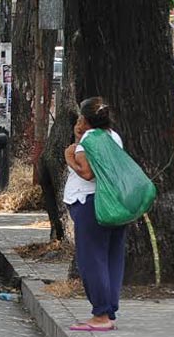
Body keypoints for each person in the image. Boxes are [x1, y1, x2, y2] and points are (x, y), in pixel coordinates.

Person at [64, 97, 125, 332]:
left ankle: (100, 315)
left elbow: (87, 172)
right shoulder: (113, 136)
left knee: (91, 259)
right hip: (114, 204)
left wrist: (69, 154)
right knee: (111, 258)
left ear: (86, 118)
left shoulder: (91, 138)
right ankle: (109, 310)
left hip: (91, 204)